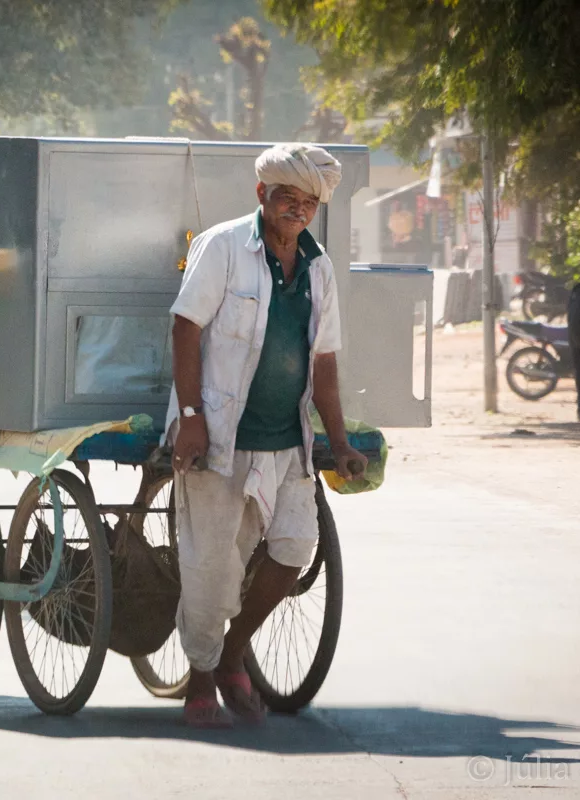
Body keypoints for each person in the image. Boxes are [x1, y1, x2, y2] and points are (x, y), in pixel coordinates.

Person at [167, 143, 368, 728]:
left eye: (308, 203)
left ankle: (232, 654)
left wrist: (341, 440)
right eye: (287, 198)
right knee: (212, 567)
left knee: (294, 550)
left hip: (287, 442)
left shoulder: (319, 267)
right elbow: (184, 327)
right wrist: (191, 415)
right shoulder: (224, 246)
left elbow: (324, 361)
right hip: (221, 436)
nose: (297, 210)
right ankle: (200, 680)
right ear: (263, 195)